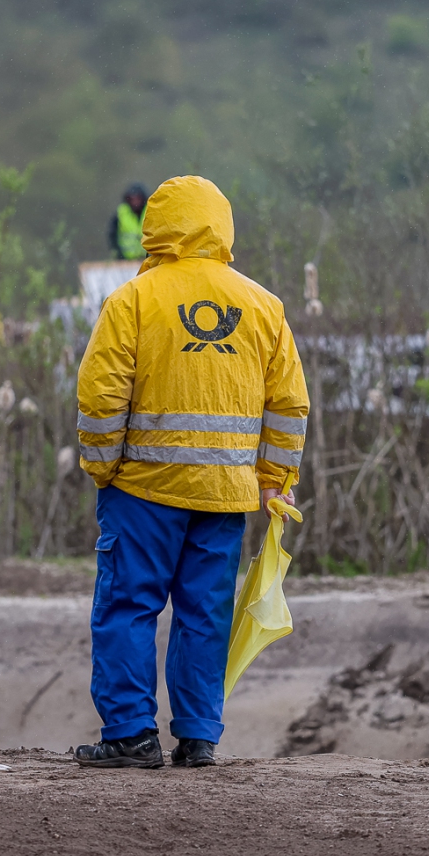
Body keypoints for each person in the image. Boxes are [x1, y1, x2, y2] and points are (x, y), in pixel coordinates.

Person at [75, 175, 309, 769]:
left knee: (129, 606)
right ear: (221, 226)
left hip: (142, 490)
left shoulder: (133, 301)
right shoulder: (264, 306)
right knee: (206, 613)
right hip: (225, 498)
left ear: (156, 226)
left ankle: (131, 735)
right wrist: (274, 482)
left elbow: (101, 395)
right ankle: (200, 736)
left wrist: (102, 467)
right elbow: (290, 405)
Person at [107, 183, 149, 261]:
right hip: (126, 260)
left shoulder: (150, 211)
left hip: (148, 259)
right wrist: (118, 253)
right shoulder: (121, 212)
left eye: (138, 199)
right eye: (132, 199)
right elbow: (112, 235)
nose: (135, 202)